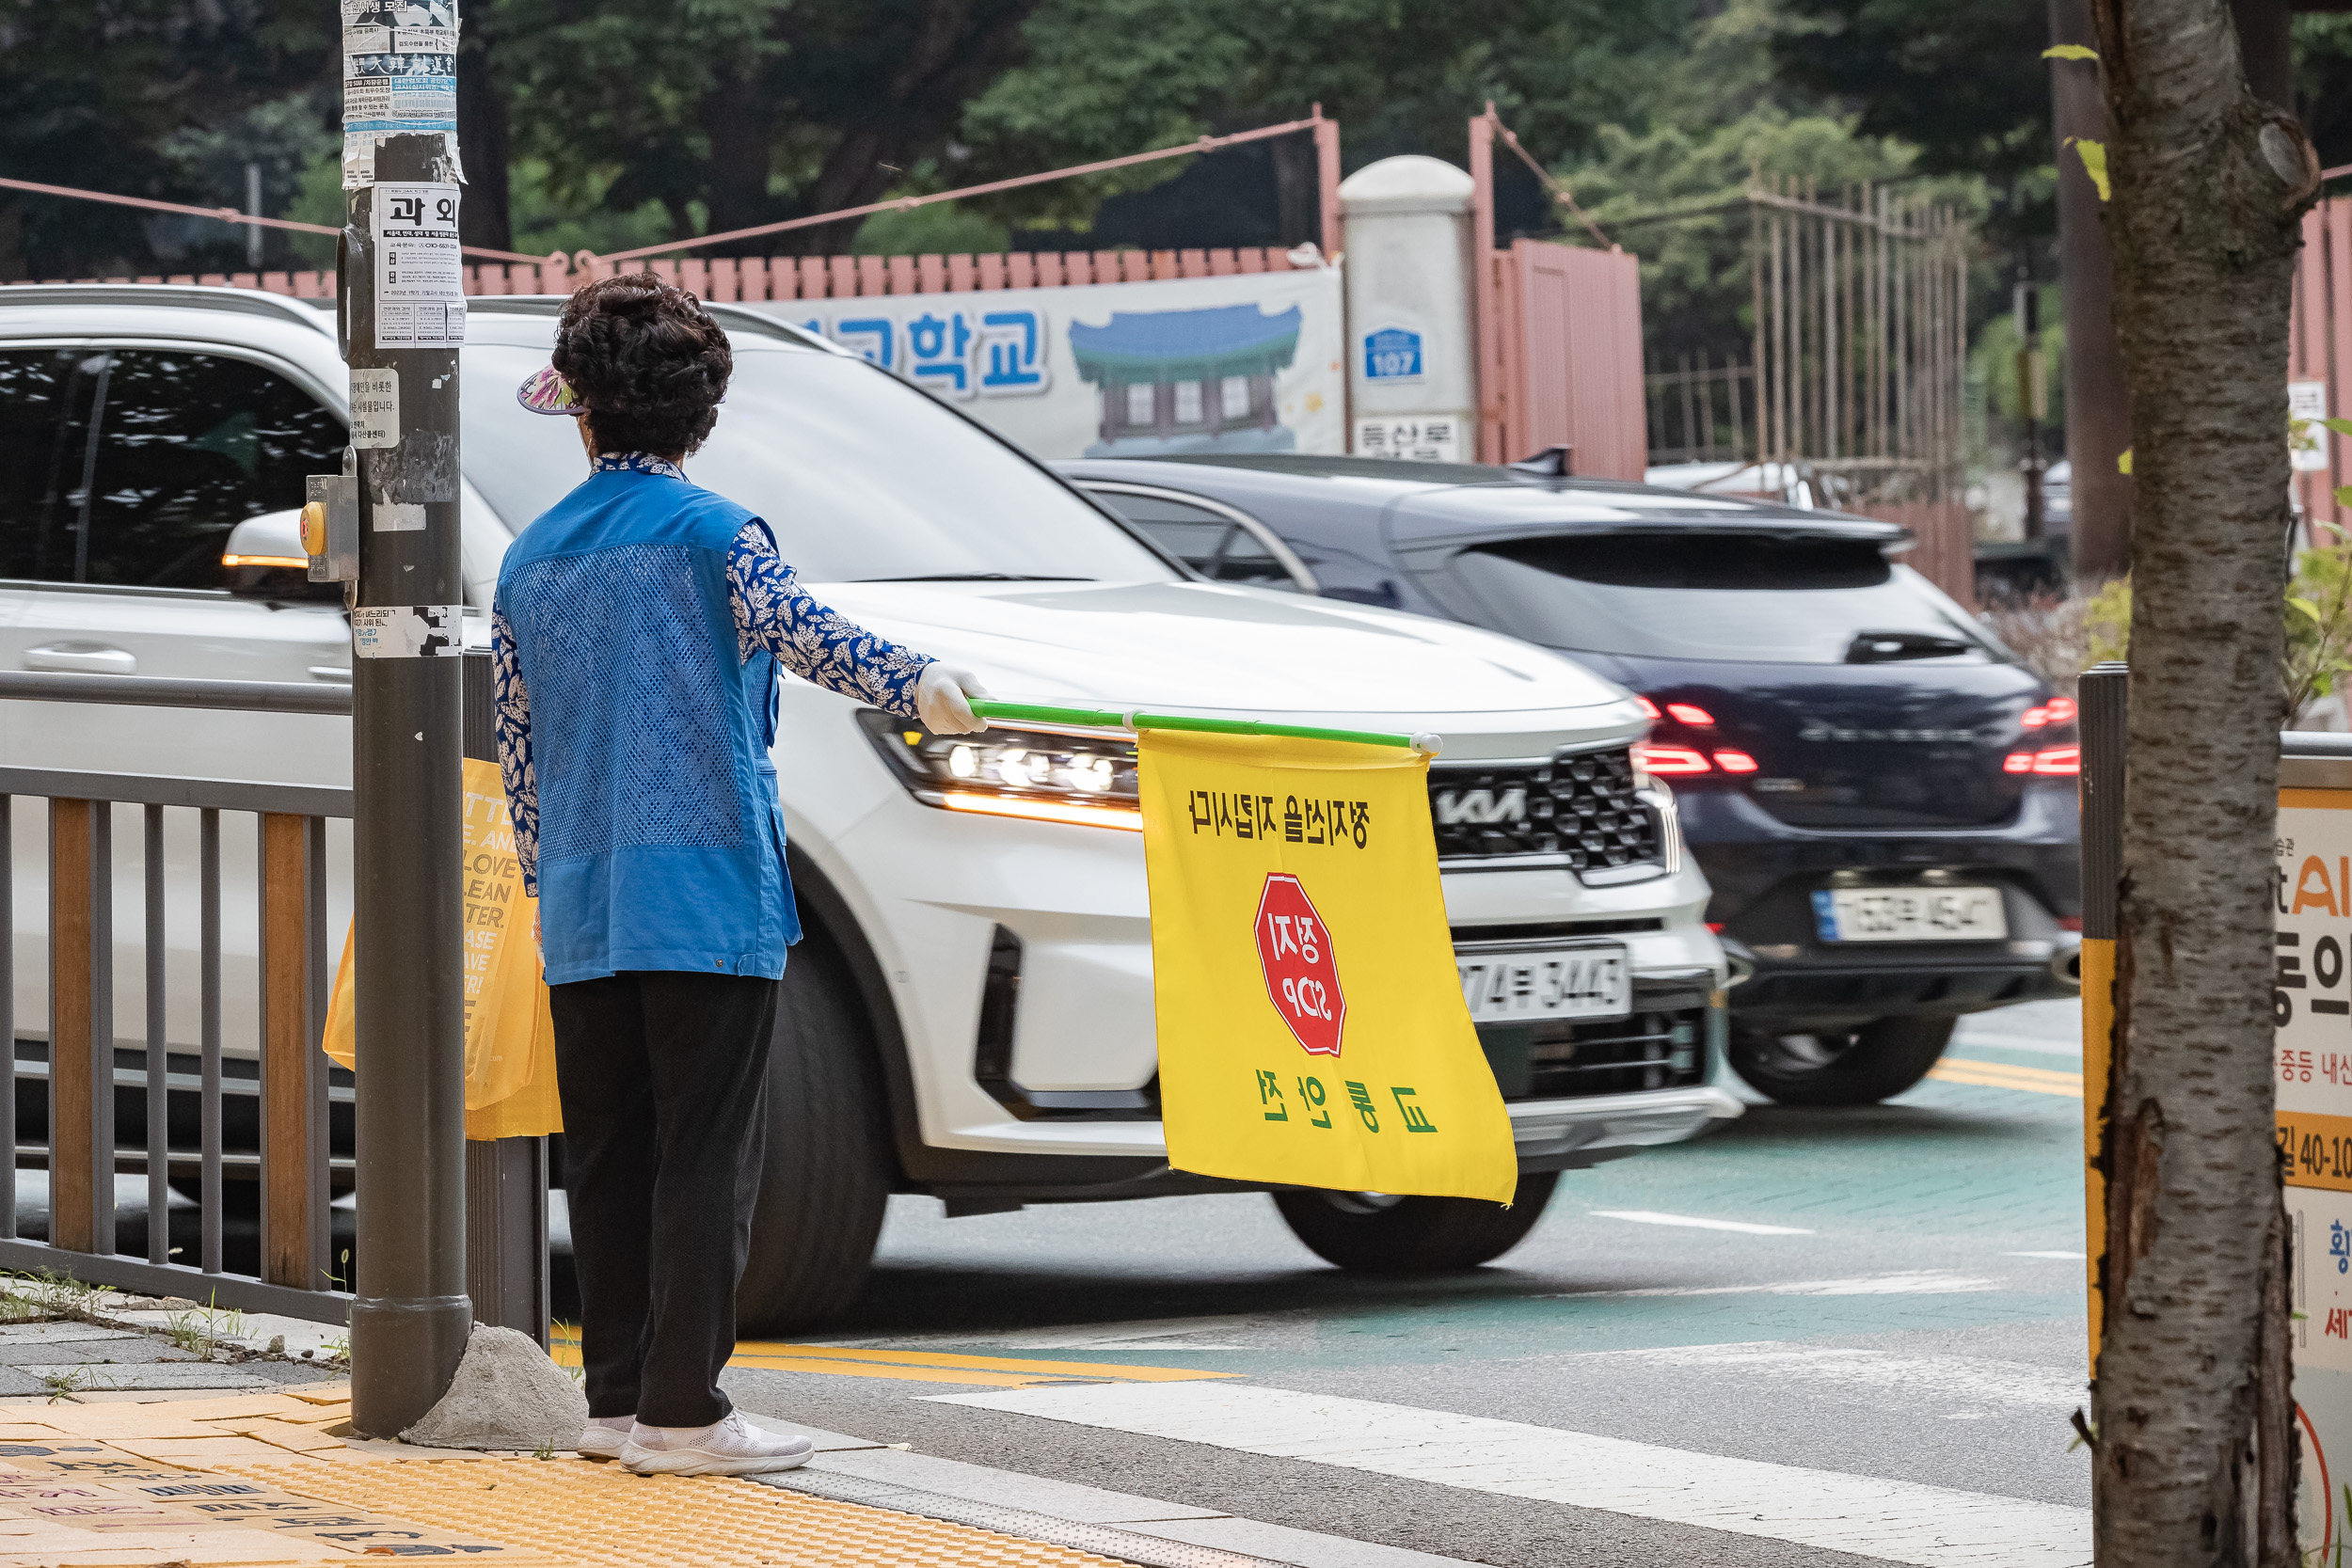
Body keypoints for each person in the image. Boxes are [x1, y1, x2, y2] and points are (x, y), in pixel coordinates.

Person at [491, 273, 987, 1477]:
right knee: (706, 1153)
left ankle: (612, 1403)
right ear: (699, 415)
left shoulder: (529, 558)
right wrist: (917, 679)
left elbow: (518, 742)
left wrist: (550, 871)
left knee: (607, 1156)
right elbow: (806, 631)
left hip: (584, 895)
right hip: (707, 888)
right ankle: (686, 1413)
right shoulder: (717, 534)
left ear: (583, 412)